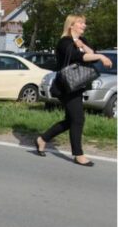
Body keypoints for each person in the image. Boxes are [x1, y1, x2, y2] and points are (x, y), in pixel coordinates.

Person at [36, 14, 112, 166]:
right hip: (65, 87)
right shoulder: (64, 42)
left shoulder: (81, 41)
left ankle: (42, 139)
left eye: (84, 23)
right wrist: (102, 56)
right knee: (78, 119)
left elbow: (91, 54)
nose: (84, 25)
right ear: (71, 25)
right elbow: (80, 57)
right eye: (81, 23)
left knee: (71, 120)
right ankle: (78, 155)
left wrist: (82, 44)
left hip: (77, 84)